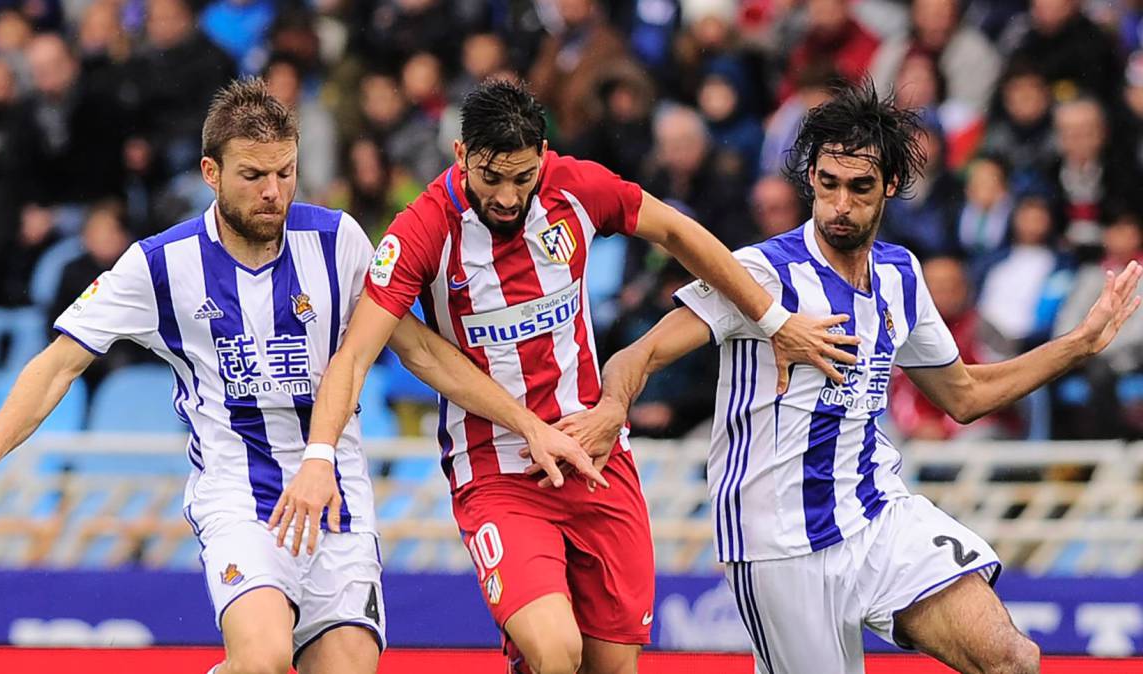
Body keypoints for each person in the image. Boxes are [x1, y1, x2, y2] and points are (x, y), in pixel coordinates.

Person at [0, 78, 594, 674]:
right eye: (254, 175)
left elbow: (420, 352)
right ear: (210, 172)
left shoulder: (338, 241)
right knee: (262, 659)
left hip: (339, 500)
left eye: (285, 172)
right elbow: (60, 361)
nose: (274, 192)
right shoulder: (159, 266)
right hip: (239, 500)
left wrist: (529, 426)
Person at [274, 79, 857, 674]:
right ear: (460, 156)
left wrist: (772, 319)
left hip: (595, 453)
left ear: (544, 157)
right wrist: (320, 455)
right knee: (556, 650)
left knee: (611, 666)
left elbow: (679, 233)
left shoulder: (575, 188)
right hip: (498, 469)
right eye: (491, 177)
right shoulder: (423, 230)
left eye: (522, 178)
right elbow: (353, 356)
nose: (506, 196)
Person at [565, 81, 1142, 674]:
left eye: (860, 187)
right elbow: (636, 357)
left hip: (877, 511)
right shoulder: (761, 273)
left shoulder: (901, 274)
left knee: (1012, 658)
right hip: (778, 540)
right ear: (810, 178)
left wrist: (1079, 344)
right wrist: (613, 409)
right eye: (828, 184)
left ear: (890, 185)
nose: (840, 204)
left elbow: (966, 396)